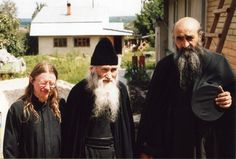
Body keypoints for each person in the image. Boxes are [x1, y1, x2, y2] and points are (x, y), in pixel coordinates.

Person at [136, 17, 236, 158]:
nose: (185, 44)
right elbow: (152, 109)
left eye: (190, 38)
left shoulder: (217, 64)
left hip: (205, 144)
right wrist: (147, 147)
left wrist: (228, 101)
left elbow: (231, 97)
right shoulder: (164, 67)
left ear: (200, 37)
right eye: (179, 39)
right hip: (172, 144)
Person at [61, 37, 135, 158]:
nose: (109, 75)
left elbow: (127, 128)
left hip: (113, 151)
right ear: (92, 69)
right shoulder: (79, 91)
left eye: (113, 70)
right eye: (105, 69)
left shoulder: (121, 90)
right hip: (87, 152)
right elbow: (71, 131)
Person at [3, 61, 62, 158]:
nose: (48, 88)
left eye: (51, 84)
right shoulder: (18, 109)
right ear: (31, 80)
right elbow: (10, 150)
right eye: (43, 83)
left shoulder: (59, 107)